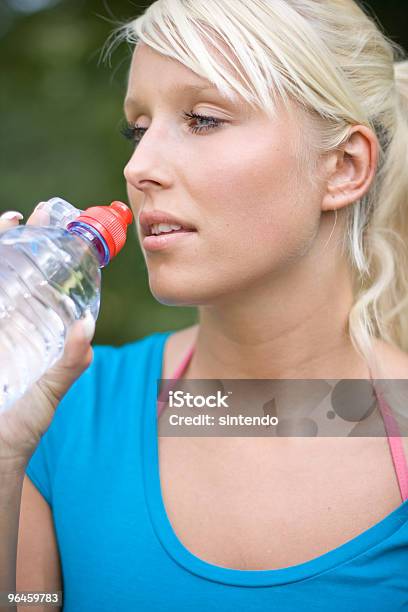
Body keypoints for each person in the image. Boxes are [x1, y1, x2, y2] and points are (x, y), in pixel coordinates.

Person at [1, 0, 408, 609]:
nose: (138, 167)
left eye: (203, 119)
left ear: (343, 167)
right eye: (137, 130)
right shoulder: (58, 413)